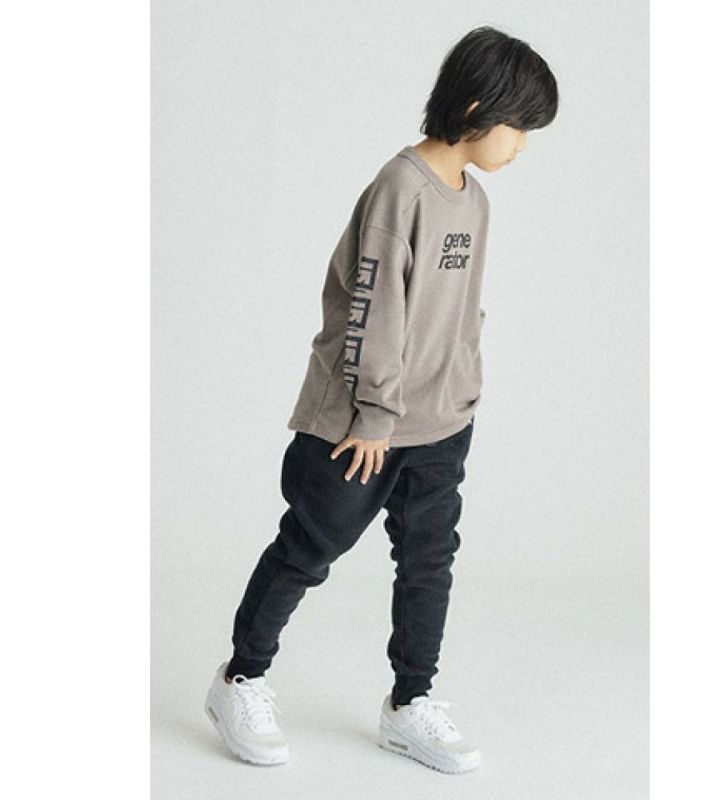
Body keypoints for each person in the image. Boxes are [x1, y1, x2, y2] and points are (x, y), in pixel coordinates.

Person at [205, 24, 558, 774]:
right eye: (520, 127)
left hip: (440, 424)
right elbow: (372, 310)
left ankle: (410, 703)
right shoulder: (400, 190)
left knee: (429, 563)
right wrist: (374, 414)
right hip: (360, 426)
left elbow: (460, 310)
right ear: (477, 108)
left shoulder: (475, 201)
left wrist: (462, 389)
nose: (523, 145)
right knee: (310, 548)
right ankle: (240, 679)